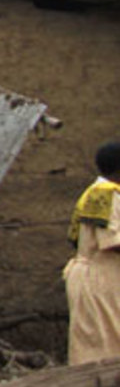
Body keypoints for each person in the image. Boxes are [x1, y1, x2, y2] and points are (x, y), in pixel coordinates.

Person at [65, 140, 120, 364]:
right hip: (100, 277)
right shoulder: (106, 193)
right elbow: (112, 241)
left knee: (97, 342)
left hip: (94, 274)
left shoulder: (96, 192)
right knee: (106, 345)